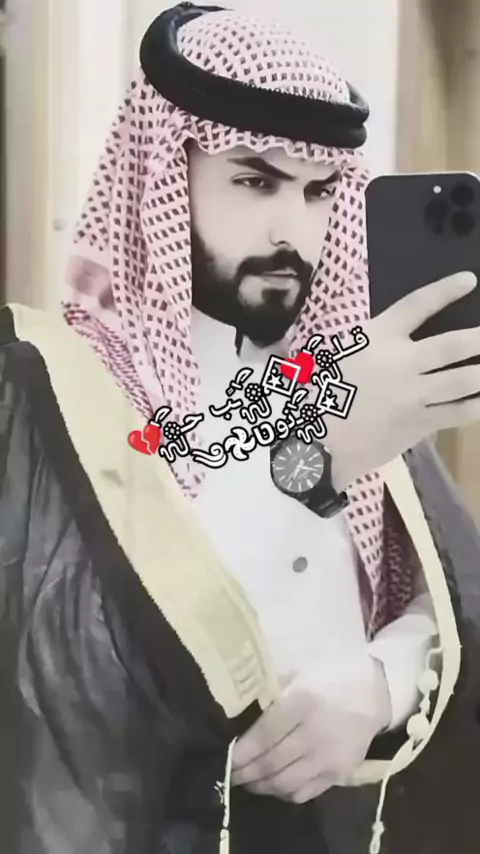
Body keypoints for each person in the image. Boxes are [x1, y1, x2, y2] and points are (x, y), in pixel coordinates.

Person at [1, 4, 480, 853]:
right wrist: (317, 461)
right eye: (255, 181)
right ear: (159, 173)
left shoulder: (341, 371)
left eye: (319, 190)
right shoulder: (52, 390)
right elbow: (84, 648)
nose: (293, 230)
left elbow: (443, 594)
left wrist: (384, 683)